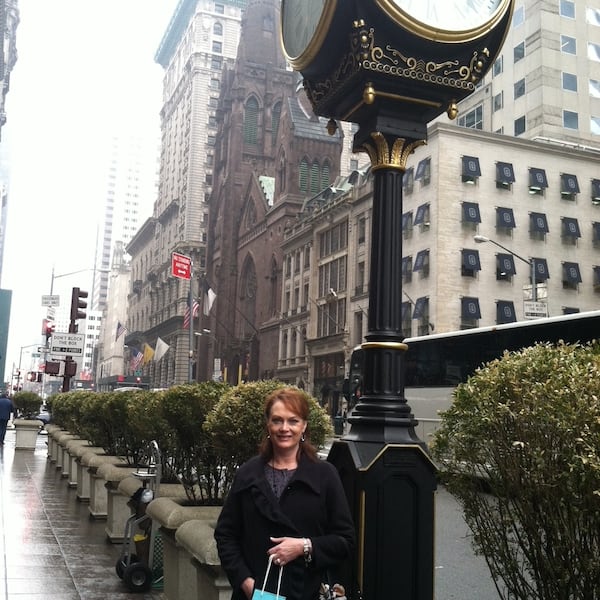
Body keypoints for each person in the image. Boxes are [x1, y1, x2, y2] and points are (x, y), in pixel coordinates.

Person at [215, 387, 355, 600]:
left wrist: (304, 546)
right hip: (255, 595)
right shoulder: (248, 473)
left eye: (293, 421)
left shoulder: (325, 475)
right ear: (268, 425)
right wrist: (247, 584)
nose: (284, 428)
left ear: (304, 426)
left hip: (307, 592)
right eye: (277, 420)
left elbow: (345, 541)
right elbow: (226, 535)